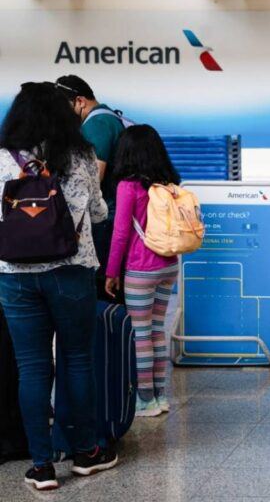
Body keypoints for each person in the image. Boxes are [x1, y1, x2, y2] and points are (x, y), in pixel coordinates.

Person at [0, 82, 119, 490]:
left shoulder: (3, 158)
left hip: (14, 275)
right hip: (71, 270)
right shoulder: (81, 155)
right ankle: (86, 452)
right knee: (78, 359)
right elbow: (99, 212)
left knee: (32, 367)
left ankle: (41, 465)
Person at [104, 125, 181, 419]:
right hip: (168, 264)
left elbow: (121, 233)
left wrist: (112, 271)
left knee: (141, 334)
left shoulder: (128, 186)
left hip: (140, 269)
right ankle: (161, 396)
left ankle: (145, 400)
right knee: (157, 330)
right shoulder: (168, 183)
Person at [55, 75, 126, 299]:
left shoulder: (98, 124)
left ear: (80, 101)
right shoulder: (107, 117)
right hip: (111, 209)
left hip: (106, 213)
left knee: (102, 286)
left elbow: (94, 176)